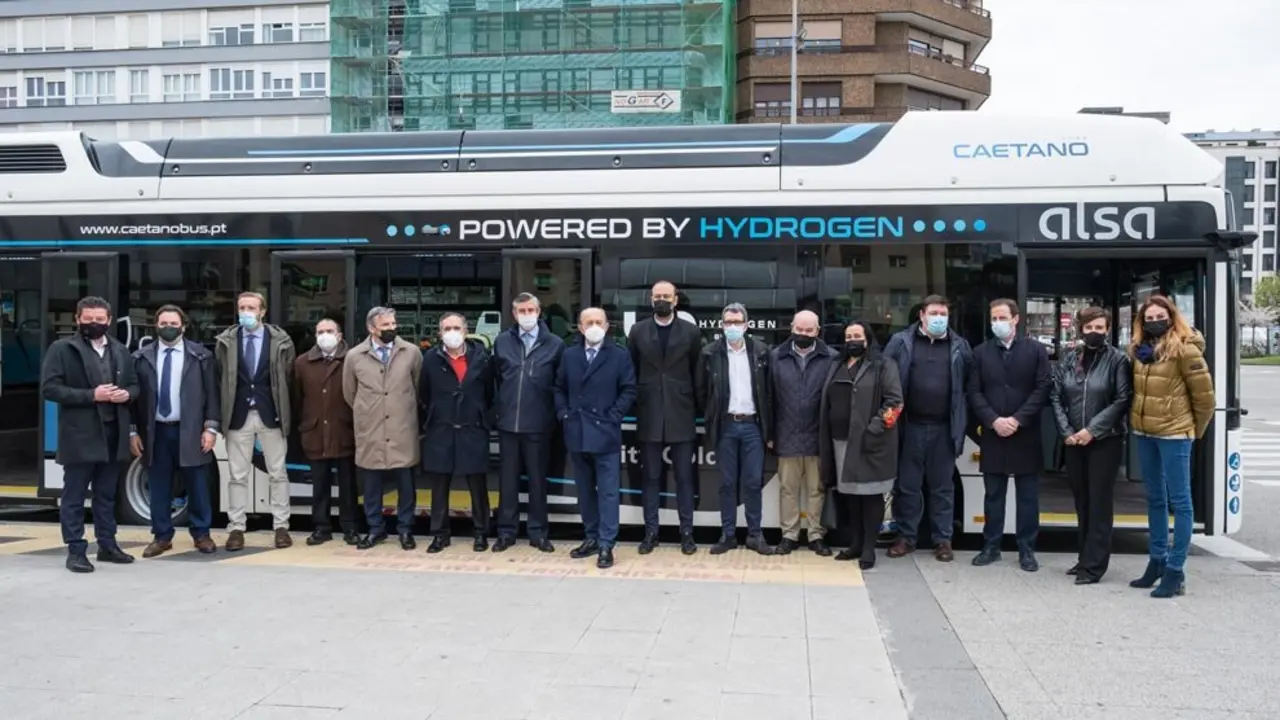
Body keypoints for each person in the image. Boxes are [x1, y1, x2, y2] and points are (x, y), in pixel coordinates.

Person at [41, 296, 139, 573]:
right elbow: (50, 388)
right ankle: (75, 549)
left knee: (107, 494)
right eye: (88, 319)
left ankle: (107, 544)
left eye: (99, 319)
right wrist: (91, 396)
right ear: (77, 319)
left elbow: (134, 385)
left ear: (109, 321)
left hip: (113, 433)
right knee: (73, 495)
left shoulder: (120, 350)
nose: (94, 324)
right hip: (80, 435)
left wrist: (126, 395)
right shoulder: (62, 349)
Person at [1128, 295, 1214, 598]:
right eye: (1148, 318)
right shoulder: (1140, 350)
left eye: (1159, 316)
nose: (1154, 322)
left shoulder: (1186, 349)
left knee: (1181, 502)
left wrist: (1191, 432)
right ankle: (1157, 562)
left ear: (1171, 317)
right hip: (1145, 433)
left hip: (1175, 435)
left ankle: (1176, 570)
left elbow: (1205, 400)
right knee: (1154, 499)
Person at [882, 294, 972, 562]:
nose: (939, 319)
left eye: (943, 314)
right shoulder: (901, 342)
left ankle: (942, 540)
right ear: (921, 315)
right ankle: (906, 538)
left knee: (942, 488)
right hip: (909, 427)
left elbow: (967, 385)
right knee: (908, 487)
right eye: (934, 313)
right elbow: (884, 378)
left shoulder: (960, 346)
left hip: (945, 428)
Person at [967, 299, 1052, 572]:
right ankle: (991, 546)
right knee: (993, 495)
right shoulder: (980, 353)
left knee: (1027, 496)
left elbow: (1042, 389)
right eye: (994, 318)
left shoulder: (1036, 351)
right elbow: (974, 392)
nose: (997, 323)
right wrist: (993, 420)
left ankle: (1027, 549)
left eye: (1002, 317)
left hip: (1025, 432)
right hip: (994, 433)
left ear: (1016, 319)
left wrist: (1017, 419)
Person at [1050, 307, 1132, 585]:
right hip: (1073, 441)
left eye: (1099, 327)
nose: (1094, 332)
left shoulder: (1118, 360)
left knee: (1098, 502)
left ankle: (1094, 566)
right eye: (1089, 327)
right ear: (1080, 329)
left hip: (1104, 442)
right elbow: (1056, 396)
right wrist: (1068, 432)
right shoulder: (1070, 358)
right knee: (1081, 500)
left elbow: (1122, 400)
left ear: (1107, 329)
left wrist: (1091, 431)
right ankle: (1084, 557)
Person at [130, 305, 220, 558]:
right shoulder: (141, 357)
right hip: (155, 431)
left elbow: (212, 395)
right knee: (159, 485)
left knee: (197, 484)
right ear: (155, 326)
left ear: (184, 325)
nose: (168, 327)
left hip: (190, 430)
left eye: (173, 323)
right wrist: (132, 432)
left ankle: (201, 534)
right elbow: (133, 400)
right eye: (163, 323)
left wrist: (211, 428)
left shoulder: (201, 356)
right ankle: (161, 536)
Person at [555, 307, 637, 569]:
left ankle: (606, 544)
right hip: (577, 431)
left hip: (605, 433)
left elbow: (629, 389)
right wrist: (564, 414)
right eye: (588, 322)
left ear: (606, 326)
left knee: (608, 492)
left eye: (598, 321)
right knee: (584, 491)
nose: (593, 325)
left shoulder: (619, 355)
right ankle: (591, 537)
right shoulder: (569, 355)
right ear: (579, 327)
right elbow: (558, 387)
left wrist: (613, 415)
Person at [627, 280, 704, 555]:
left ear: (676, 300)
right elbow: (632, 369)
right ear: (650, 299)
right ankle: (651, 533)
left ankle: (687, 533)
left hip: (681, 412)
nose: (662, 300)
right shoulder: (637, 331)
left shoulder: (691, 332)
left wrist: (698, 408)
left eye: (666, 296)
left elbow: (697, 371)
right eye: (657, 296)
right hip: (649, 412)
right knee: (651, 478)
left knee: (685, 478)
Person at [215, 291, 296, 551]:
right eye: (242, 307)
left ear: (263, 311)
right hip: (238, 415)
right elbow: (221, 377)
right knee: (237, 476)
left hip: (271, 415)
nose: (246, 312)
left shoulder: (280, 340)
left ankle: (281, 527)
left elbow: (289, 376)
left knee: (278, 473)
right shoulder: (226, 341)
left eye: (251, 307)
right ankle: (236, 528)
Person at [818, 321, 902, 570]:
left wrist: (875, 428)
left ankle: (868, 548)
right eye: (848, 336)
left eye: (857, 335)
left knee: (870, 494)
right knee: (850, 495)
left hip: (870, 442)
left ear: (867, 339)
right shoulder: (836, 364)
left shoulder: (884, 365)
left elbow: (895, 403)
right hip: (839, 440)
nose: (853, 340)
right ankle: (855, 543)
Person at [696, 303, 775, 555]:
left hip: (753, 426)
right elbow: (701, 392)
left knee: (753, 482)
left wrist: (770, 430)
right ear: (722, 325)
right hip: (725, 425)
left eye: (737, 322)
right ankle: (728, 534)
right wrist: (709, 417)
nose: (732, 327)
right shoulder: (710, 353)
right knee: (727, 483)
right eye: (728, 322)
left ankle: (755, 535)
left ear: (746, 324)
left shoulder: (761, 352)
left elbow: (770, 393)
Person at [343, 308, 422, 550]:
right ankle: (375, 529)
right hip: (372, 430)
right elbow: (350, 393)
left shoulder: (411, 352)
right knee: (371, 485)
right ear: (371, 328)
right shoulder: (355, 356)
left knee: (406, 484)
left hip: (402, 429)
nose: (391, 328)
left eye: (393, 323)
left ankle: (405, 530)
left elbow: (418, 388)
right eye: (385, 324)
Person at [492, 293, 565, 553]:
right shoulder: (502, 341)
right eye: (521, 310)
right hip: (508, 424)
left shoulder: (555, 344)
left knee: (537, 482)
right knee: (507, 483)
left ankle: (538, 533)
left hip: (539, 425)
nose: (526, 314)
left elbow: (559, 383)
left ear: (539, 311)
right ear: (514, 314)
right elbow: (497, 379)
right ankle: (506, 532)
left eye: (531, 309)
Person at [421, 312, 494, 553]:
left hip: (473, 430)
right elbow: (423, 393)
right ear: (440, 332)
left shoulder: (482, 357)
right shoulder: (430, 358)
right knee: (439, 485)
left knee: (477, 484)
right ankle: (440, 534)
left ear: (466, 330)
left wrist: (484, 417)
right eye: (446, 328)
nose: (452, 332)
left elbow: (491, 393)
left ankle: (481, 533)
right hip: (441, 430)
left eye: (456, 327)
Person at [771, 309, 838, 556]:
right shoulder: (776, 357)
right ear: (792, 328)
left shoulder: (831, 358)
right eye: (799, 329)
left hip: (818, 437)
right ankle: (788, 535)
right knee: (788, 489)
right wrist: (770, 433)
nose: (803, 334)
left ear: (817, 331)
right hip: (785, 434)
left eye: (809, 330)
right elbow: (769, 399)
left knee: (816, 490)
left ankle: (815, 535)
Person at [295, 318, 360, 547]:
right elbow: (297, 398)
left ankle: (350, 528)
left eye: (329, 331)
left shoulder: (353, 359)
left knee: (348, 485)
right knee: (319, 484)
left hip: (345, 430)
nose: (325, 335)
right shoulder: (302, 363)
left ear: (340, 335)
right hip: (315, 432)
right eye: (320, 331)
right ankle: (321, 528)